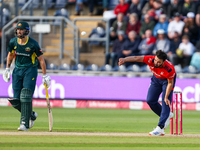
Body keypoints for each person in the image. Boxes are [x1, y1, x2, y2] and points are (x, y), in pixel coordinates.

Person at [2, 21, 51, 131]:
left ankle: (24, 124)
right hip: (17, 70)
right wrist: (7, 69)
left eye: (21, 29)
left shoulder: (33, 44)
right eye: (18, 29)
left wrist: (45, 76)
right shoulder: (13, 42)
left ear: (27, 31)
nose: (19, 31)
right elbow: (10, 55)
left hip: (30, 70)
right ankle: (32, 115)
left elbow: (41, 60)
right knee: (15, 101)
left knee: (26, 96)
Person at [119, 50, 176, 136]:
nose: (156, 63)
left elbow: (170, 83)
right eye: (155, 60)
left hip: (167, 82)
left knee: (165, 101)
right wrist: (124, 59)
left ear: (164, 61)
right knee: (150, 100)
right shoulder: (151, 59)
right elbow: (136, 58)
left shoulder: (169, 69)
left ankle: (160, 128)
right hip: (156, 79)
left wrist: (166, 96)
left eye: (159, 62)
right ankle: (167, 115)